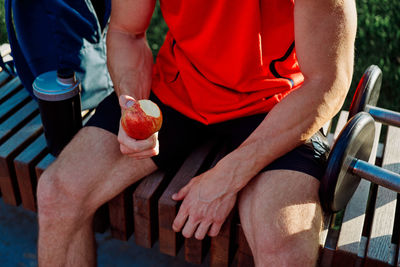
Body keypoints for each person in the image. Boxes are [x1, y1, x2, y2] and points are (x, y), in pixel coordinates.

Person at [36, 0, 357, 266]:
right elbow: (126, 33)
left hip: (275, 105)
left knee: (285, 251)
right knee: (57, 193)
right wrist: (132, 107)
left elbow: (327, 82)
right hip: (180, 87)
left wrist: (228, 175)